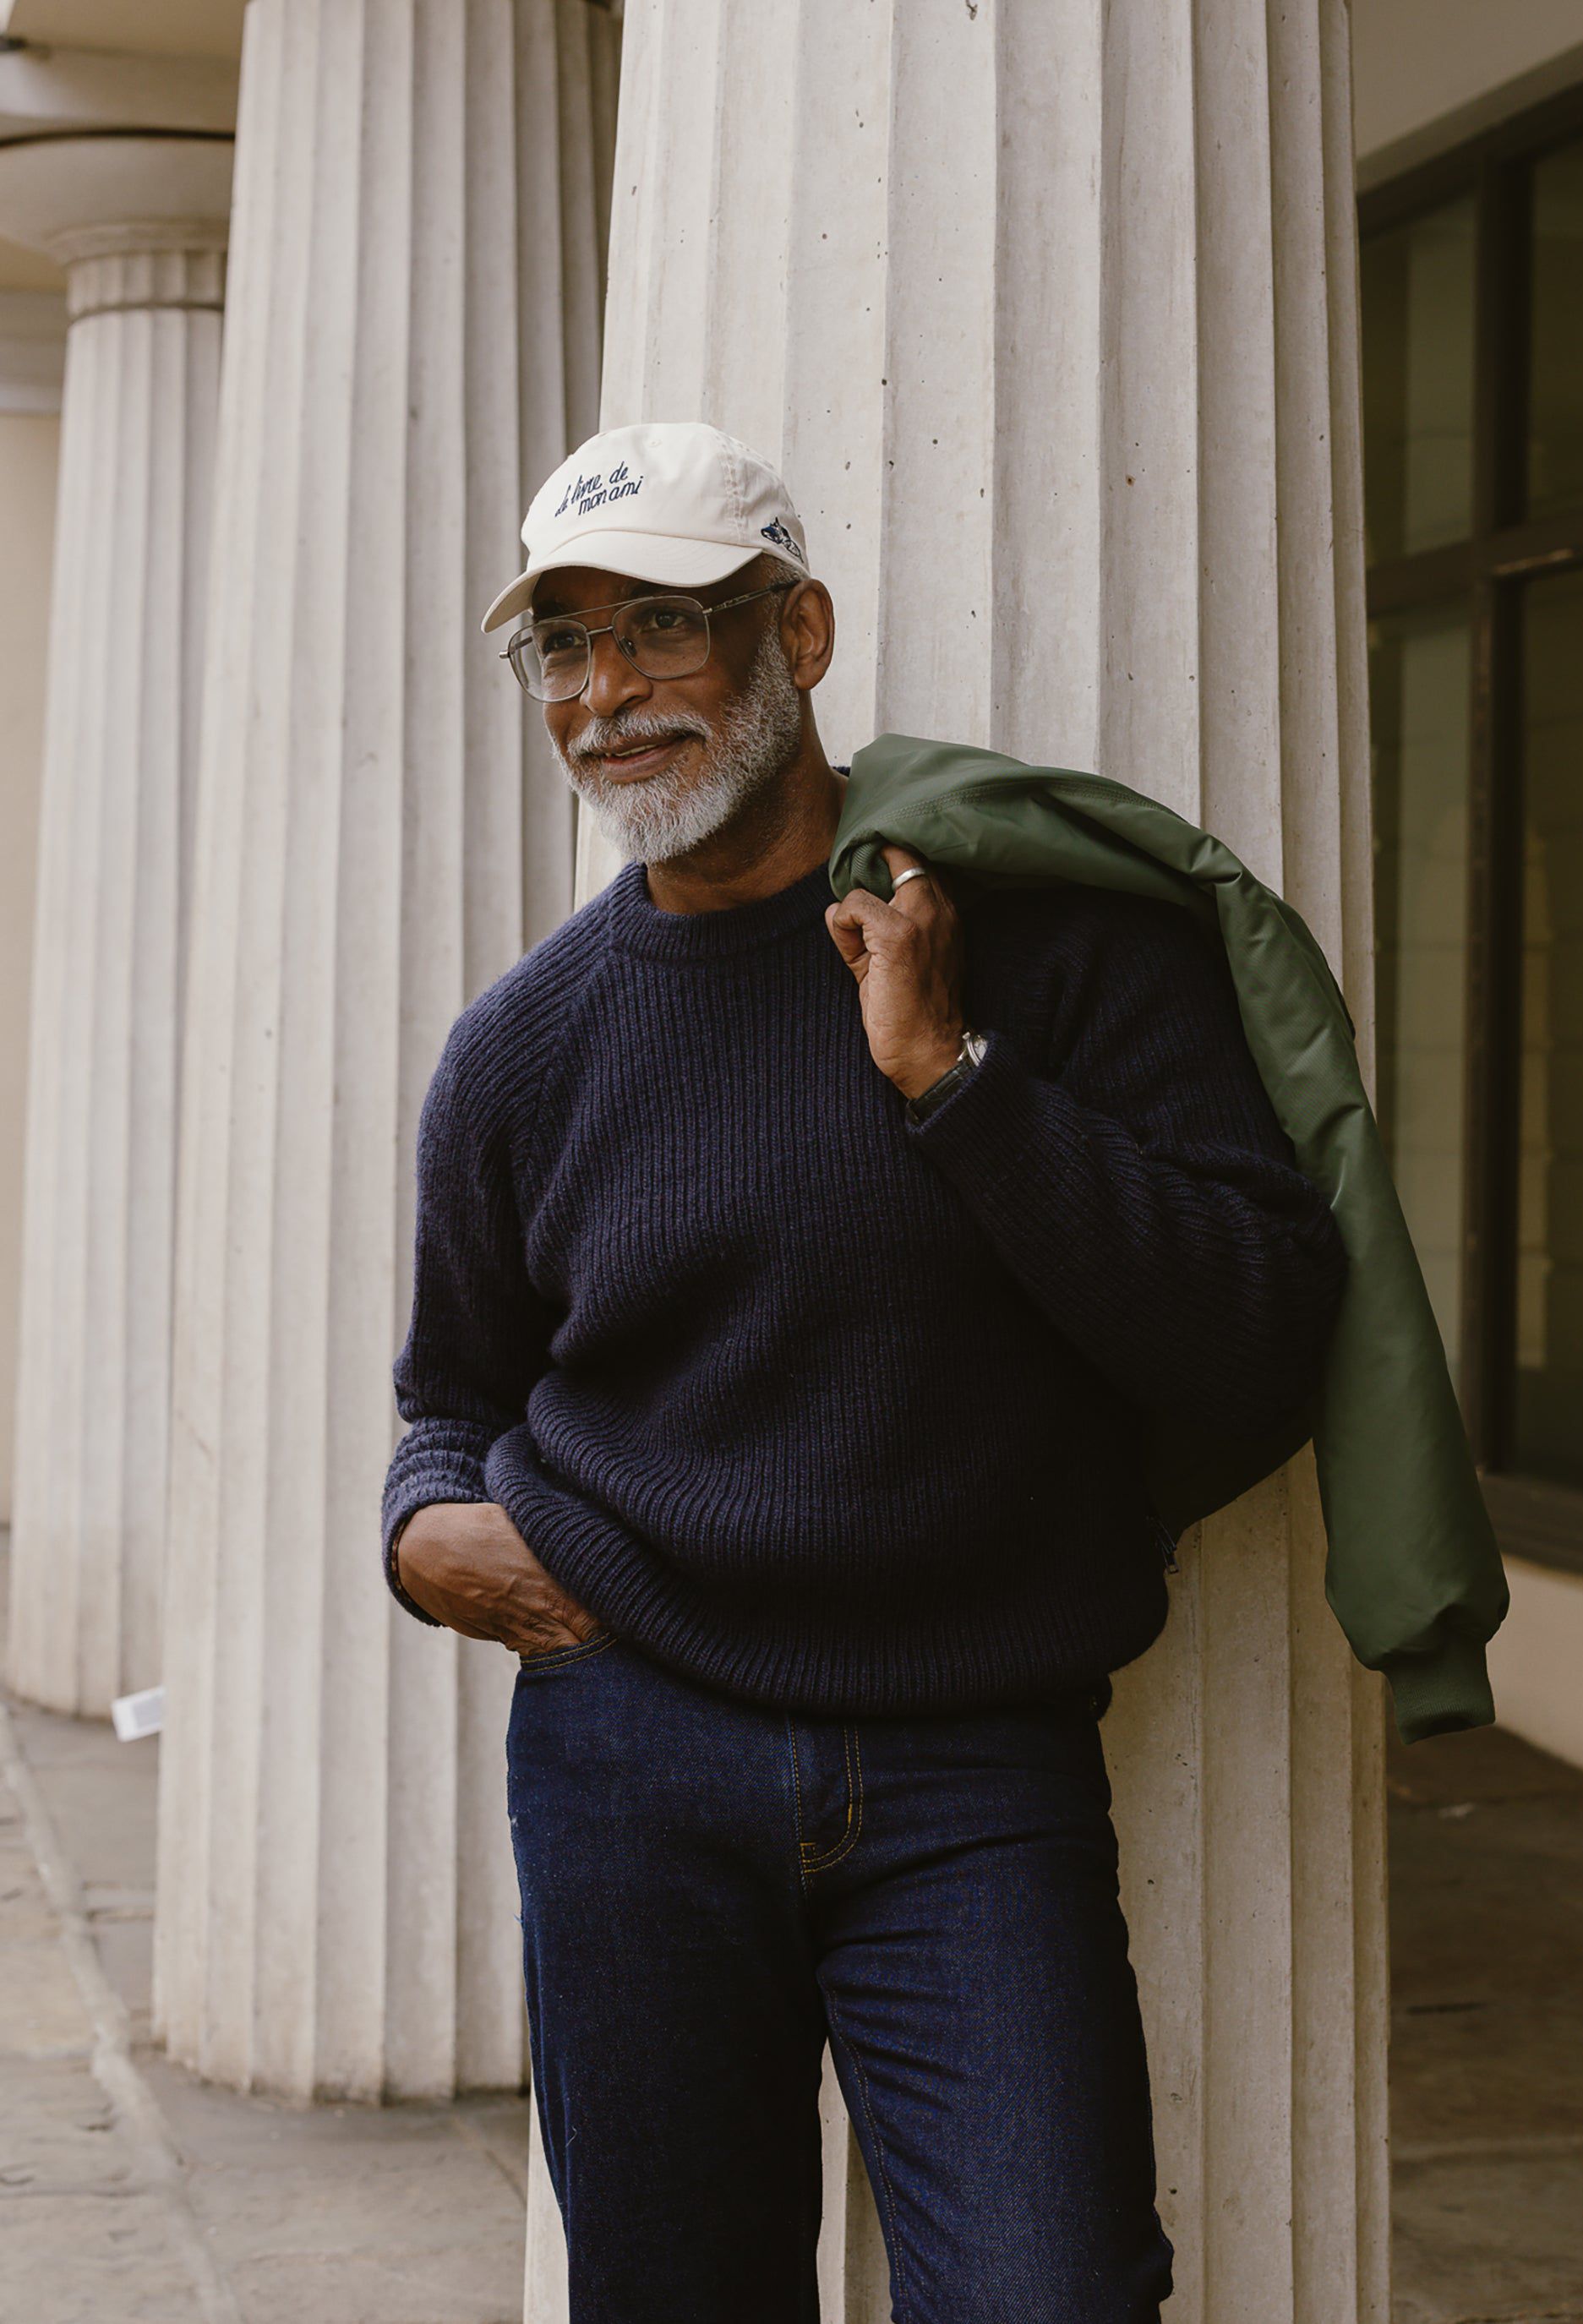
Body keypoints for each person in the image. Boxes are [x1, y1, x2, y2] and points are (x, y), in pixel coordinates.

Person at [382, 420, 1348, 2323]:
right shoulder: (518, 1054)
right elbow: (449, 1397)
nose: (603, 696)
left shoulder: (1049, 953)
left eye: (659, 627)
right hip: (628, 1750)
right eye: (559, 647)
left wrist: (953, 1084)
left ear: (795, 634)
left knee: (1053, 2290)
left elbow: (1260, 1321)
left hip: (970, 1758)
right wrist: (426, 1528)